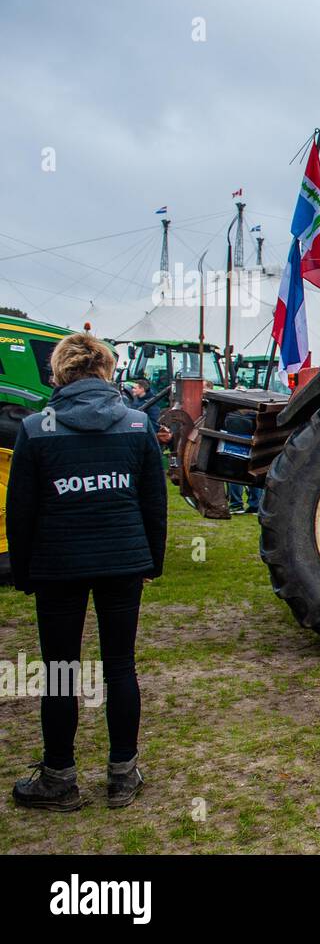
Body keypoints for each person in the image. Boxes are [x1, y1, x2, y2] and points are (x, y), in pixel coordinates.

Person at [7, 333, 167, 812]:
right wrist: (150, 563)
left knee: (59, 671)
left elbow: (21, 511)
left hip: (58, 564)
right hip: (122, 561)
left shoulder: (36, 427)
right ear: (108, 372)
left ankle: (59, 778)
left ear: (59, 374)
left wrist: (24, 572)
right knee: (120, 665)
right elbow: (153, 505)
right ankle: (122, 775)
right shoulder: (138, 426)